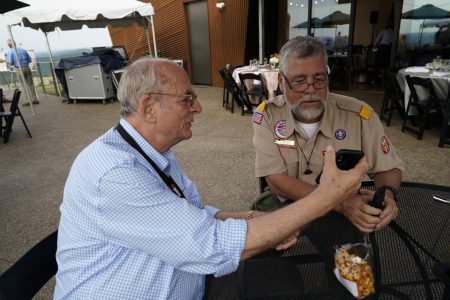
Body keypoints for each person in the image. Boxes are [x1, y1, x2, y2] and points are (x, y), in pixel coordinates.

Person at [54, 57, 368, 299]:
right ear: (149, 107)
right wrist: (328, 196)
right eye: (187, 99)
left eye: (319, 79)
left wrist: (249, 216)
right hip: (169, 283)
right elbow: (212, 246)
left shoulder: (149, 152)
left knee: (279, 278)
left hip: (190, 281)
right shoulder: (116, 174)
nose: (199, 107)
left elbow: (193, 213)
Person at [252, 36, 404, 235]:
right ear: (281, 81)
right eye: (299, 81)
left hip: (345, 207)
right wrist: (338, 202)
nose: (311, 89)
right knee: (257, 252)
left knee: (352, 260)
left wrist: (388, 194)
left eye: (319, 79)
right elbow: (276, 181)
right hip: (286, 202)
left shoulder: (359, 116)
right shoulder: (267, 116)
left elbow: (387, 167)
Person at [5, 39, 39, 106]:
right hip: (27, 67)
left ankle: (27, 101)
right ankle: (35, 99)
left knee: (24, 85)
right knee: (31, 84)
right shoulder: (23, 50)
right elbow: (29, 60)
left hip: (19, 69)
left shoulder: (11, 52)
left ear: (9, 45)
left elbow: (11, 62)